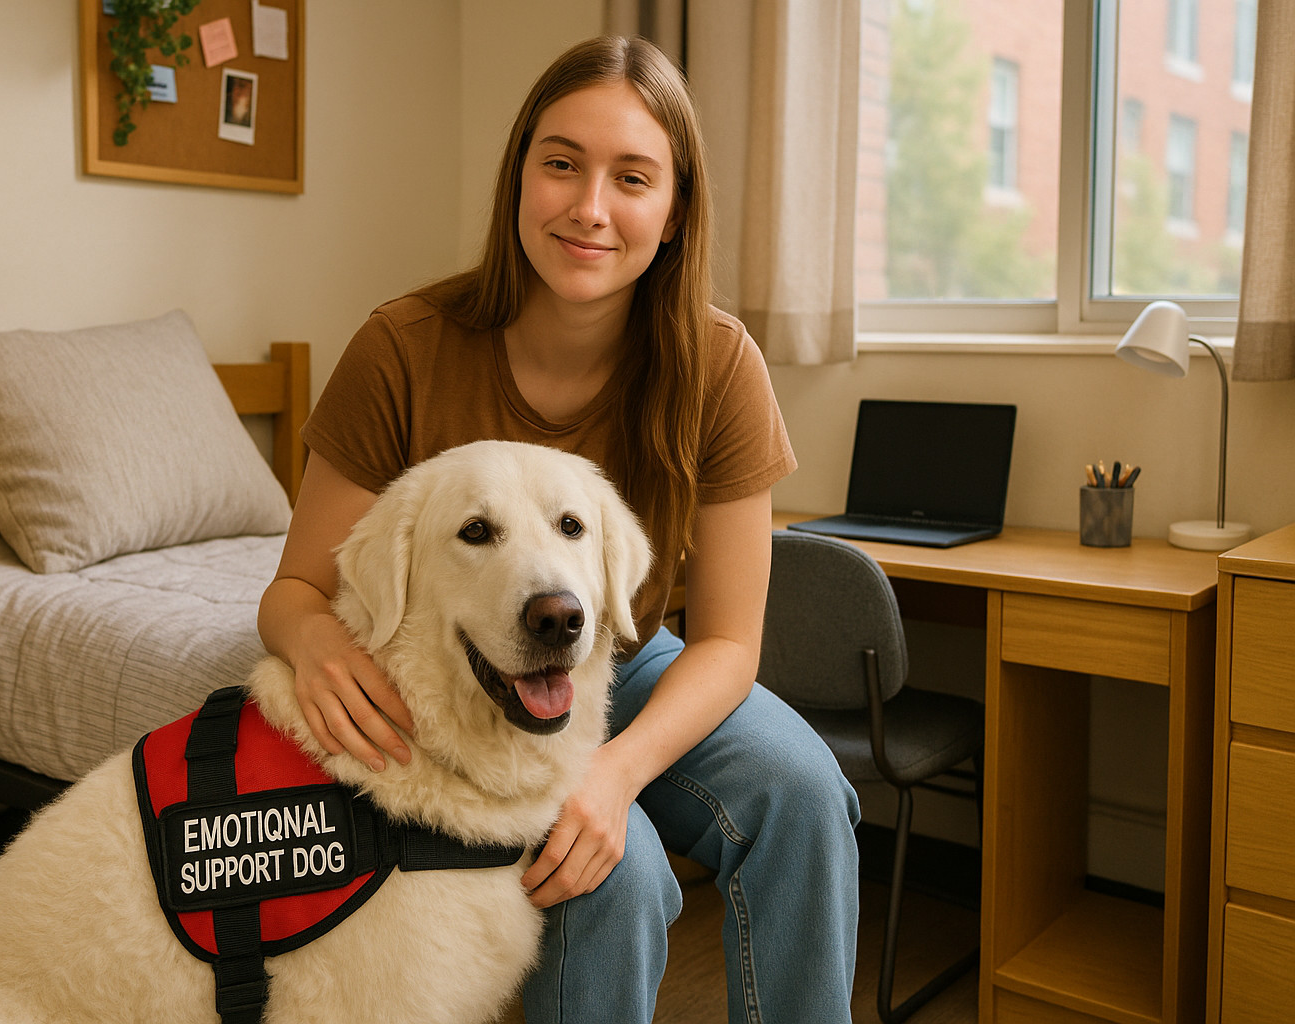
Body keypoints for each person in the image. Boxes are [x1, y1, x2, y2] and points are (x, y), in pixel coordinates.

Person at [258, 34, 861, 1023]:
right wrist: (315, 641)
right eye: (562, 164)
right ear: (518, 179)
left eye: (632, 177)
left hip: (626, 654)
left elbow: (728, 642)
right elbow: (293, 591)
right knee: (610, 876)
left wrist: (614, 772)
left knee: (805, 791)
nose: (590, 207)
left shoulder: (720, 365)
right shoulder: (401, 347)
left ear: (674, 212)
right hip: (460, 671)